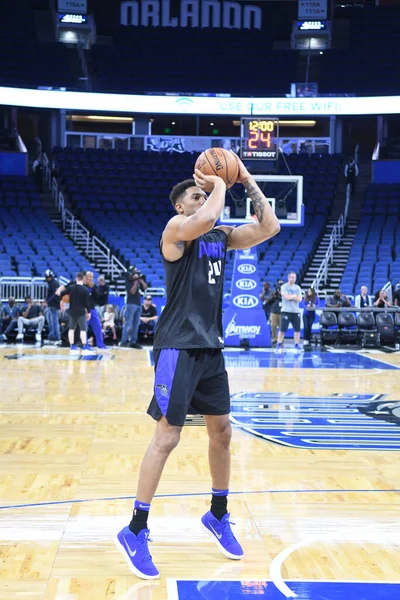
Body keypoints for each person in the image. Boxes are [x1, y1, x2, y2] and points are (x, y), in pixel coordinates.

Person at [115, 155, 280, 580]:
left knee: (222, 433)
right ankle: (135, 529)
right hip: (176, 347)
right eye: (195, 194)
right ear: (180, 207)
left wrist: (243, 177)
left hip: (210, 347)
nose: (203, 195)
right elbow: (207, 216)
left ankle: (218, 514)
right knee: (167, 438)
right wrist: (218, 185)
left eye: (204, 192)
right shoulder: (176, 232)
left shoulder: (221, 237)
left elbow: (269, 227)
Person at [58, 272, 92, 354]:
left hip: (71, 311)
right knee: (83, 329)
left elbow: (61, 293)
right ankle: (85, 346)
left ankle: (72, 346)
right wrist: (89, 312)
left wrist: (64, 300)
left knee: (71, 329)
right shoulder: (85, 290)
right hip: (81, 311)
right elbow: (87, 303)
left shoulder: (71, 288)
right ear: (83, 279)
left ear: (76, 278)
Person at [120, 267, 148, 349]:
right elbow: (132, 292)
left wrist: (141, 280)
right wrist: (135, 282)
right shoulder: (128, 281)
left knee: (136, 324)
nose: (137, 274)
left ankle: (133, 342)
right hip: (130, 304)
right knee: (128, 323)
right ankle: (123, 341)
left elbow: (145, 288)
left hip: (138, 304)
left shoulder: (138, 280)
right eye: (135, 273)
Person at [276, 272, 302, 354]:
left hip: (295, 311)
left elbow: (300, 299)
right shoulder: (284, 287)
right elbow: (286, 297)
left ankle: (297, 345)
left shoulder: (298, 287)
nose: (293, 279)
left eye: (294, 277)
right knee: (282, 329)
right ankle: (279, 344)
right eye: (291, 277)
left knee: (297, 330)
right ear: (288, 278)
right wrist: (294, 296)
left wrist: (292, 296)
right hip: (286, 311)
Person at [85, 271, 107, 350]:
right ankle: (85, 345)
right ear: (85, 277)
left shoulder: (94, 287)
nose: (91, 278)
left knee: (98, 326)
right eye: (89, 277)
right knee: (84, 328)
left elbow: (98, 297)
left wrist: (93, 288)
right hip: (84, 310)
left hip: (92, 309)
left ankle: (101, 344)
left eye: (92, 277)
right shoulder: (82, 286)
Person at [43, 269, 61, 341]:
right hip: (51, 304)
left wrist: (47, 301)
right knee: (51, 320)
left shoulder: (54, 283)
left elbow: (55, 295)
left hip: (54, 304)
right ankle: (52, 334)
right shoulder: (51, 283)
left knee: (54, 321)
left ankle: (56, 335)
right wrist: (46, 300)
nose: (47, 279)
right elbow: (50, 294)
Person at [267, 280, 283, 345]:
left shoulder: (286, 292)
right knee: (273, 326)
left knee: (282, 327)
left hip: (282, 312)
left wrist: (281, 295)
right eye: (279, 284)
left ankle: (281, 339)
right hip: (273, 311)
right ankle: (274, 338)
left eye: (282, 284)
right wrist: (273, 296)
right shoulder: (273, 292)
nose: (281, 285)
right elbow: (268, 301)